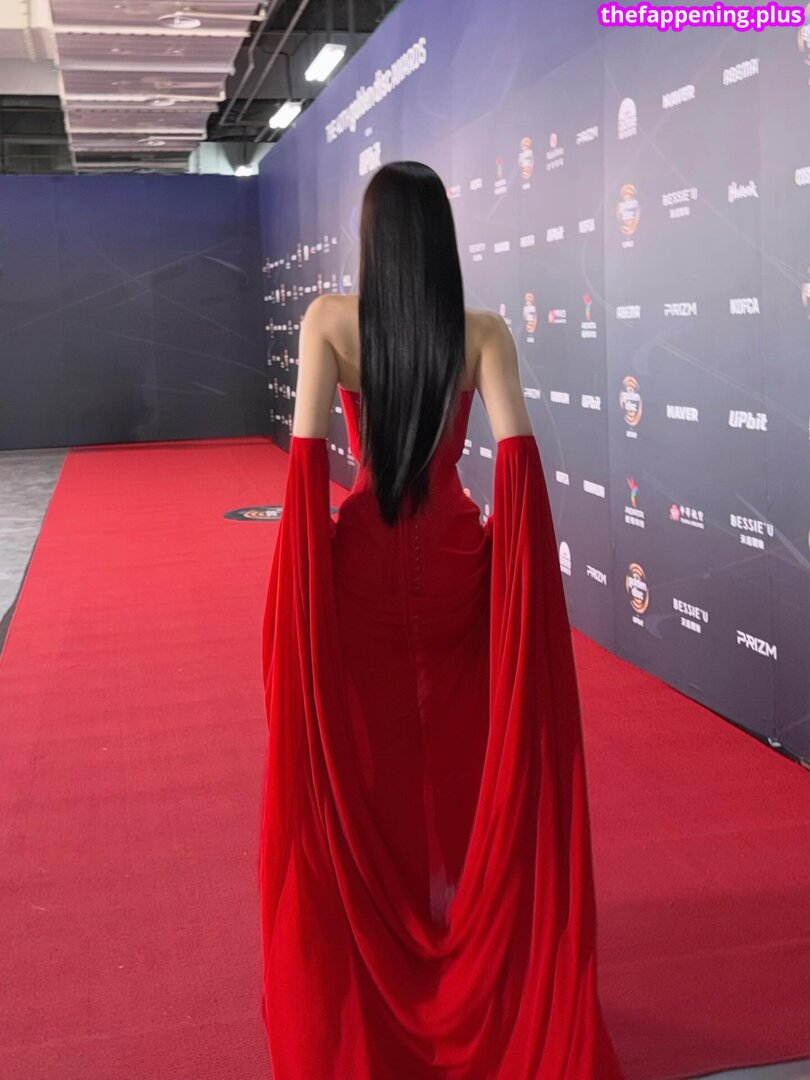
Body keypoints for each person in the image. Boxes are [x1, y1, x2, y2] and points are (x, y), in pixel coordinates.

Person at [259, 160, 624, 1079]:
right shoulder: (484, 333)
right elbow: (521, 471)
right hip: (460, 567)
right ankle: (465, 926)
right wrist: (502, 559)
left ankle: (383, 943)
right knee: (466, 753)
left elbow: (304, 472)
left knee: (365, 759)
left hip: (362, 569)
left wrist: (303, 590)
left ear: (373, 239)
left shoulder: (328, 323)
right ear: (442, 241)